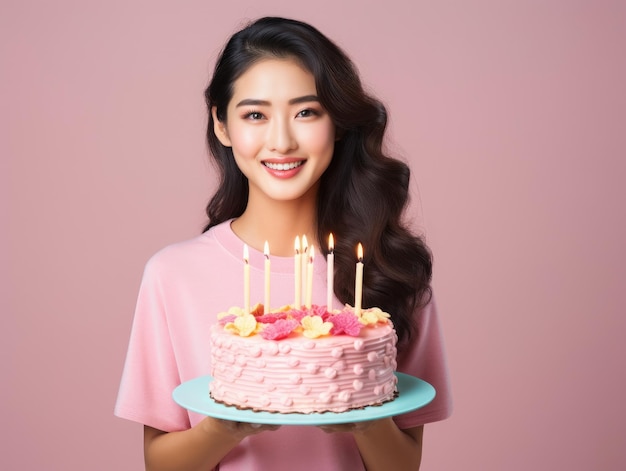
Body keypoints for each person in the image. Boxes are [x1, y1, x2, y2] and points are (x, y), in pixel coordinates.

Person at [115, 16, 452, 471]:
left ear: (337, 123)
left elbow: (403, 466)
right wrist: (225, 424)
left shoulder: (388, 267)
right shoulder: (172, 276)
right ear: (222, 125)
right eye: (255, 115)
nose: (281, 140)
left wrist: (359, 408)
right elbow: (160, 462)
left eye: (306, 112)